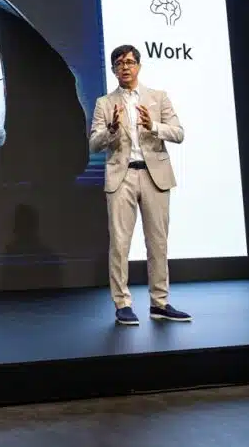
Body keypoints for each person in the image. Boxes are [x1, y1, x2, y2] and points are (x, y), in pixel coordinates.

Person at [89, 45, 191, 326]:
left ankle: (160, 303)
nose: (125, 67)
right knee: (120, 244)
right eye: (119, 63)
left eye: (130, 62)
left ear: (139, 66)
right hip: (121, 177)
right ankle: (122, 304)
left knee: (158, 242)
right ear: (113, 70)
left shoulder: (158, 97)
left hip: (154, 175)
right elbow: (94, 143)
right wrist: (111, 130)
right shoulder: (104, 103)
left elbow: (179, 133)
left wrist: (153, 126)